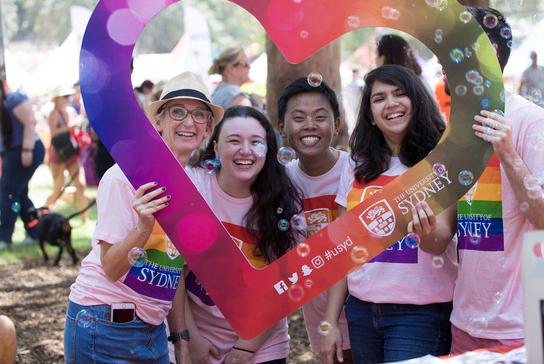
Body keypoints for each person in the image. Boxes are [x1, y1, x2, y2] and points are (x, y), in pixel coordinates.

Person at [64, 72, 223, 363]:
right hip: (104, 325)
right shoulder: (126, 175)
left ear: (208, 128)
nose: (189, 122)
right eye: (178, 112)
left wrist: (181, 341)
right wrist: (143, 226)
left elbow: (171, 270)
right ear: (158, 121)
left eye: (200, 115)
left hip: (154, 332)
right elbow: (111, 268)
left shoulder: (195, 186)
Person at [321, 64, 458, 364]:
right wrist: (331, 322)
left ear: (417, 100)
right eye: (379, 98)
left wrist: (426, 232)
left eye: (400, 94)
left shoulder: (441, 159)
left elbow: (440, 241)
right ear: (370, 114)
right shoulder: (357, 163)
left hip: (420, 314)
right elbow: (344, 248)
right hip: (361, 311)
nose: (391, 103)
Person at [447, 7, 544, 354]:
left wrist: (508, 154)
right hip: (464, 322)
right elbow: (452, 227)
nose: (441, 58)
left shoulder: (532, 121)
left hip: (519, 326)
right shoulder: (454, 126)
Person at [178, 105, 303, 364]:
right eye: (234, 141)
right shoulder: (193, 188)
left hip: (261, 343)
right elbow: (173, 272)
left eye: (256, 142)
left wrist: (244, 351)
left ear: (268, 150)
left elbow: (285, 286)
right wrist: (190, 339)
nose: (245, 151)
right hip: (195, 339)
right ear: (215, 147)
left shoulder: (283, 203)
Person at [276, 78, 352, 363]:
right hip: (319, 317)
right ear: (281, 127)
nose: (310, 125)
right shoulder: (280, 182)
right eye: (298, 118)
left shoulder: (358, 172)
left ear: (337, 124)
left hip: (364, 312)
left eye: (320, 117)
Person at [0, 82, 45, 250]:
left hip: (24, 150)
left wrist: (26, 150)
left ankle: (4, 238)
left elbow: (29, 121)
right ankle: (34, 233)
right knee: (20, 194)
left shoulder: (13, 98)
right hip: (12, 151)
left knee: (7, 193)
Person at [44, 85, 90, 223]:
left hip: (71, 153)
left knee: (81, 185)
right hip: (58, 155)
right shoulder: (54, 113)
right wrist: (69, 127)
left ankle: (84, 218)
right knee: (58, 189)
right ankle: (42, 212)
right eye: (65, 96)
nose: (68, 99)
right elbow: (52, 133)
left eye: (68, 96)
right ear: (57, 99)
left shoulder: (70, 111)